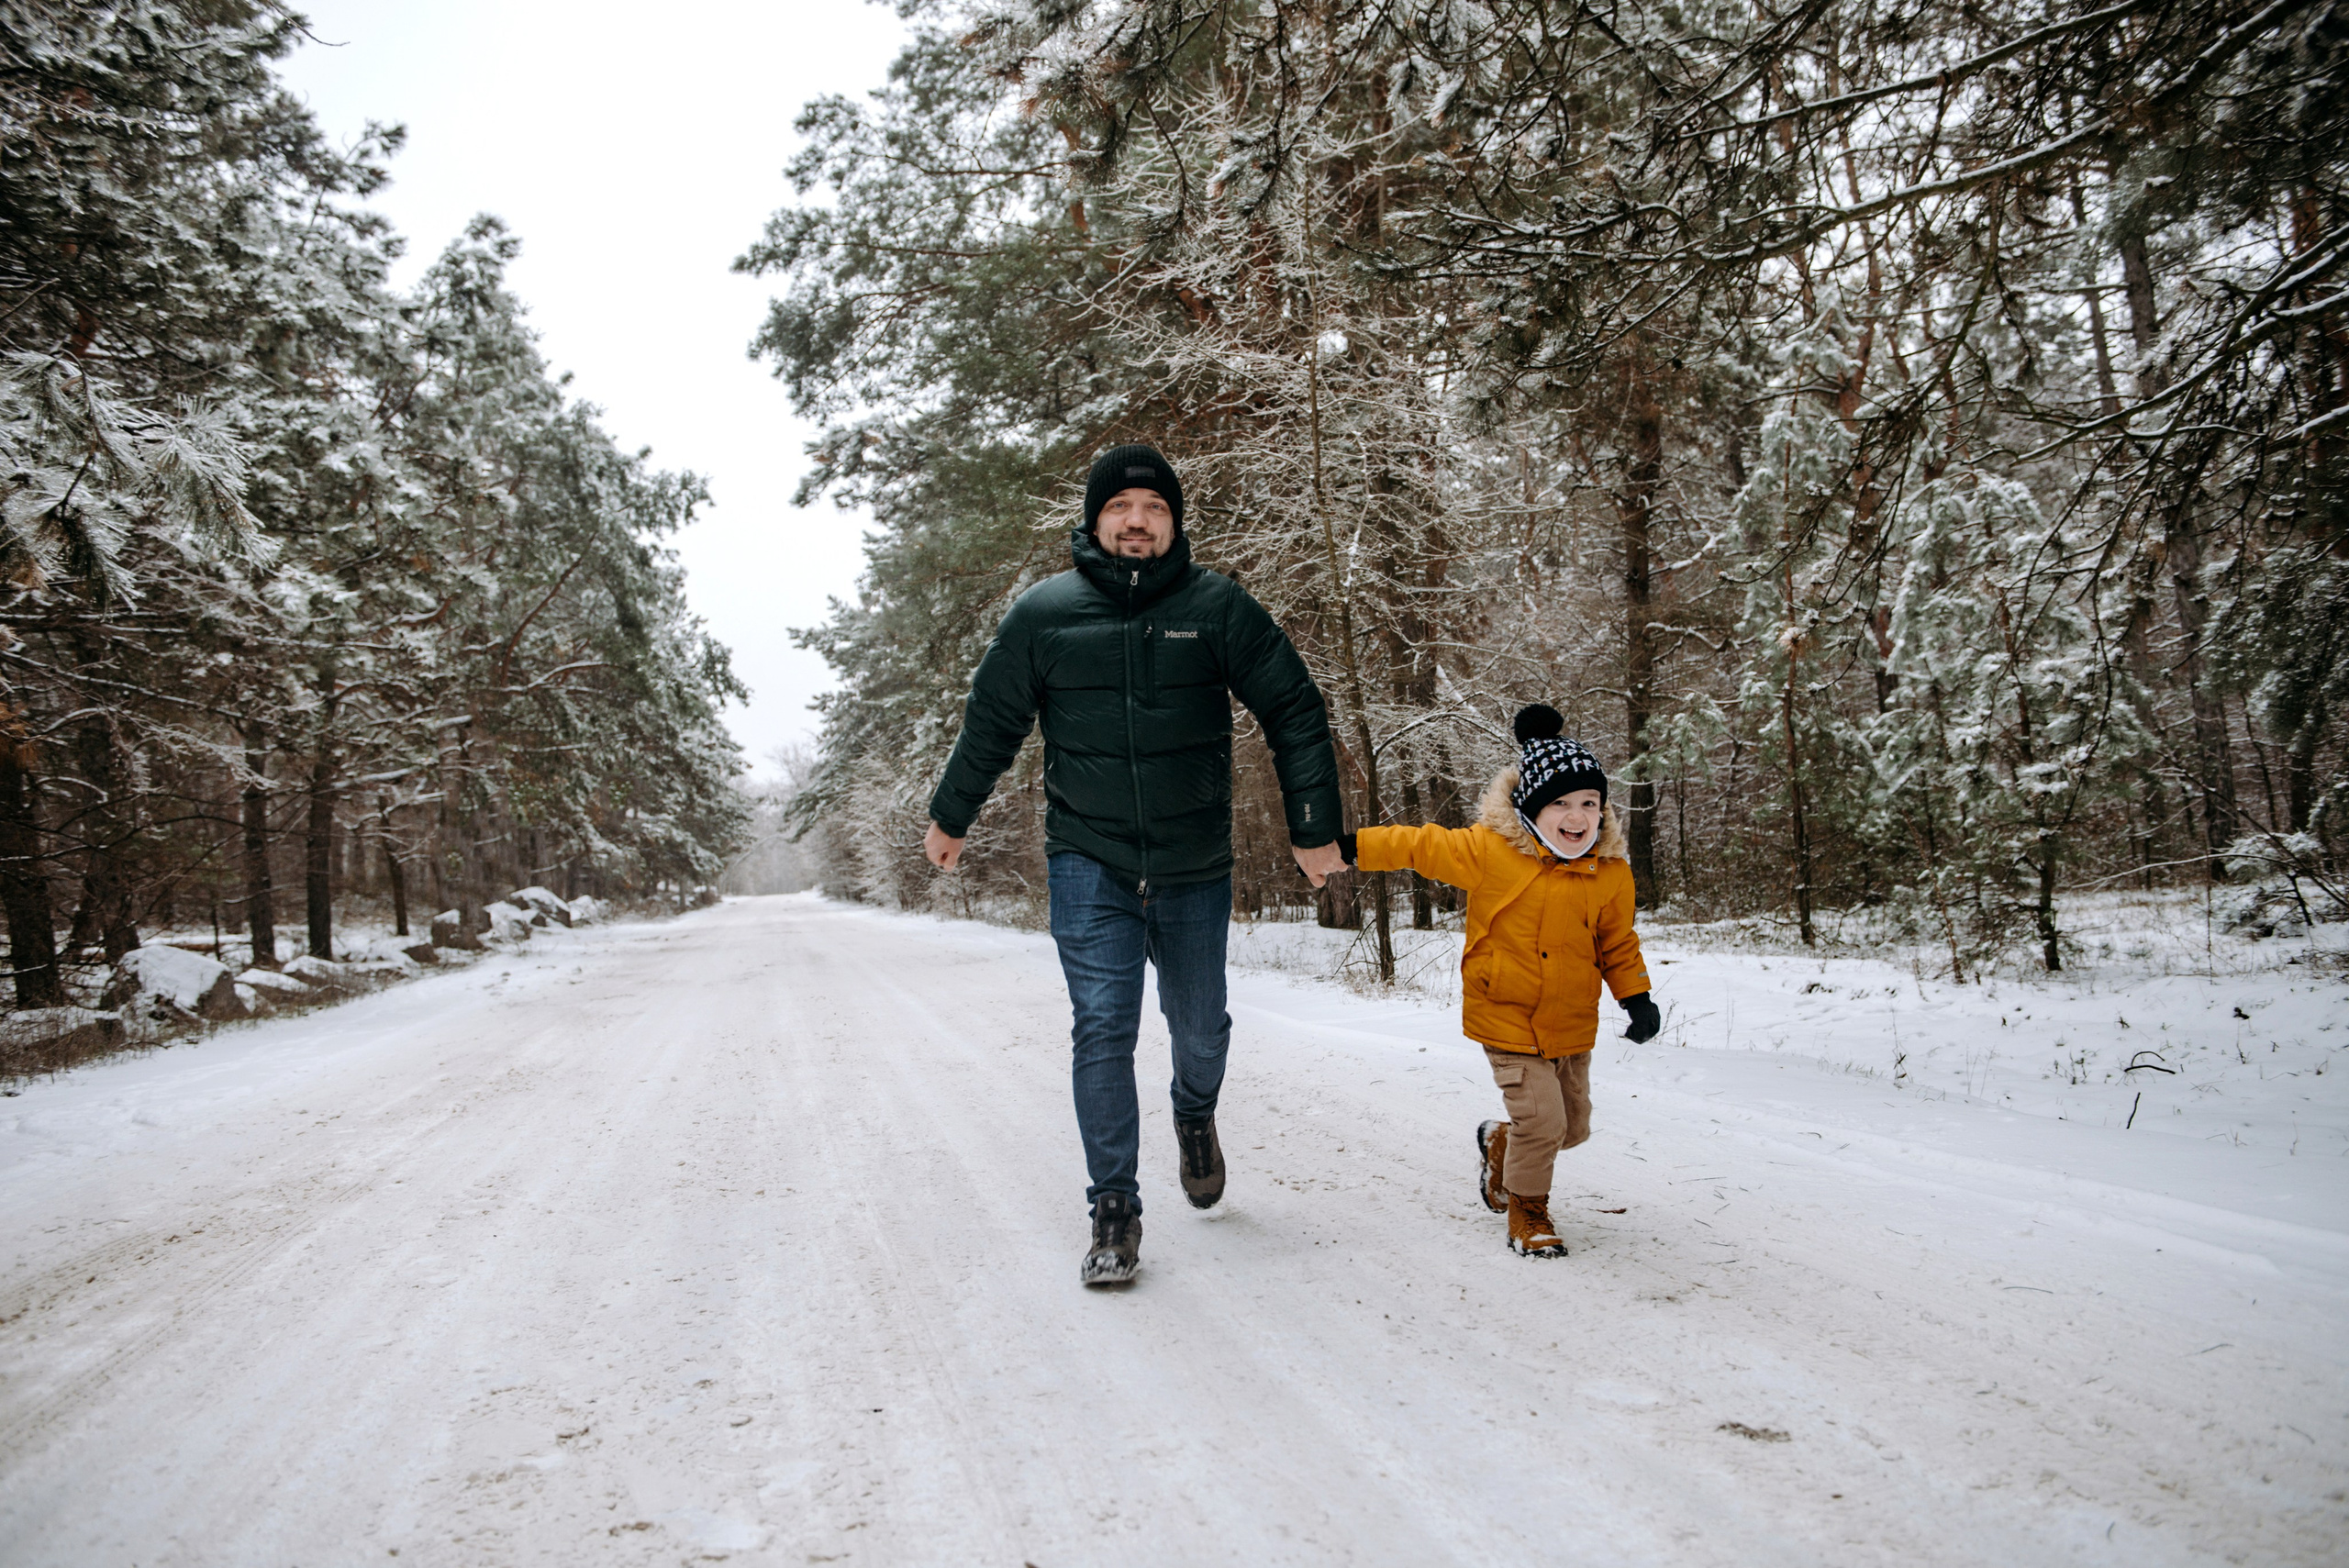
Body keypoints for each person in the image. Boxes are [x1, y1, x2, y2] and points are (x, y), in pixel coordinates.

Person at [924, 444, 1345, 1286]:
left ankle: (1194, 1113)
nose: (1138, 519)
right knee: (1103, 1026)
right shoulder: (1042, 616)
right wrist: (952, 813)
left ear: (1174, 522)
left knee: (1200, 1027)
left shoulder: (1217, 607)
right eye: (1121, 506)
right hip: (1090, 857)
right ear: (1094, 520)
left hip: (1193, 861)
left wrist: (1311, 825)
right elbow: (992, 721)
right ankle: (1114, 1208)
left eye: (1155, 506)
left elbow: (1294, 706)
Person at [1338, 704, 1662, 1258]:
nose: (1577, 815)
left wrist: (1636, 996)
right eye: (1560, 802)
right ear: (1533, 809)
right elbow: (1419, 845)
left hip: (1570, 1022)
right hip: (1506, 1014)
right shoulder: (1490, 852)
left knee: (1572, 1128)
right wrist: (1347, 847)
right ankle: (1527, 1212)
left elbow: (1616, 943)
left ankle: (1502, 1145)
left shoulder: (1611, 873)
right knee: (1544, 1120)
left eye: (1589, 802)